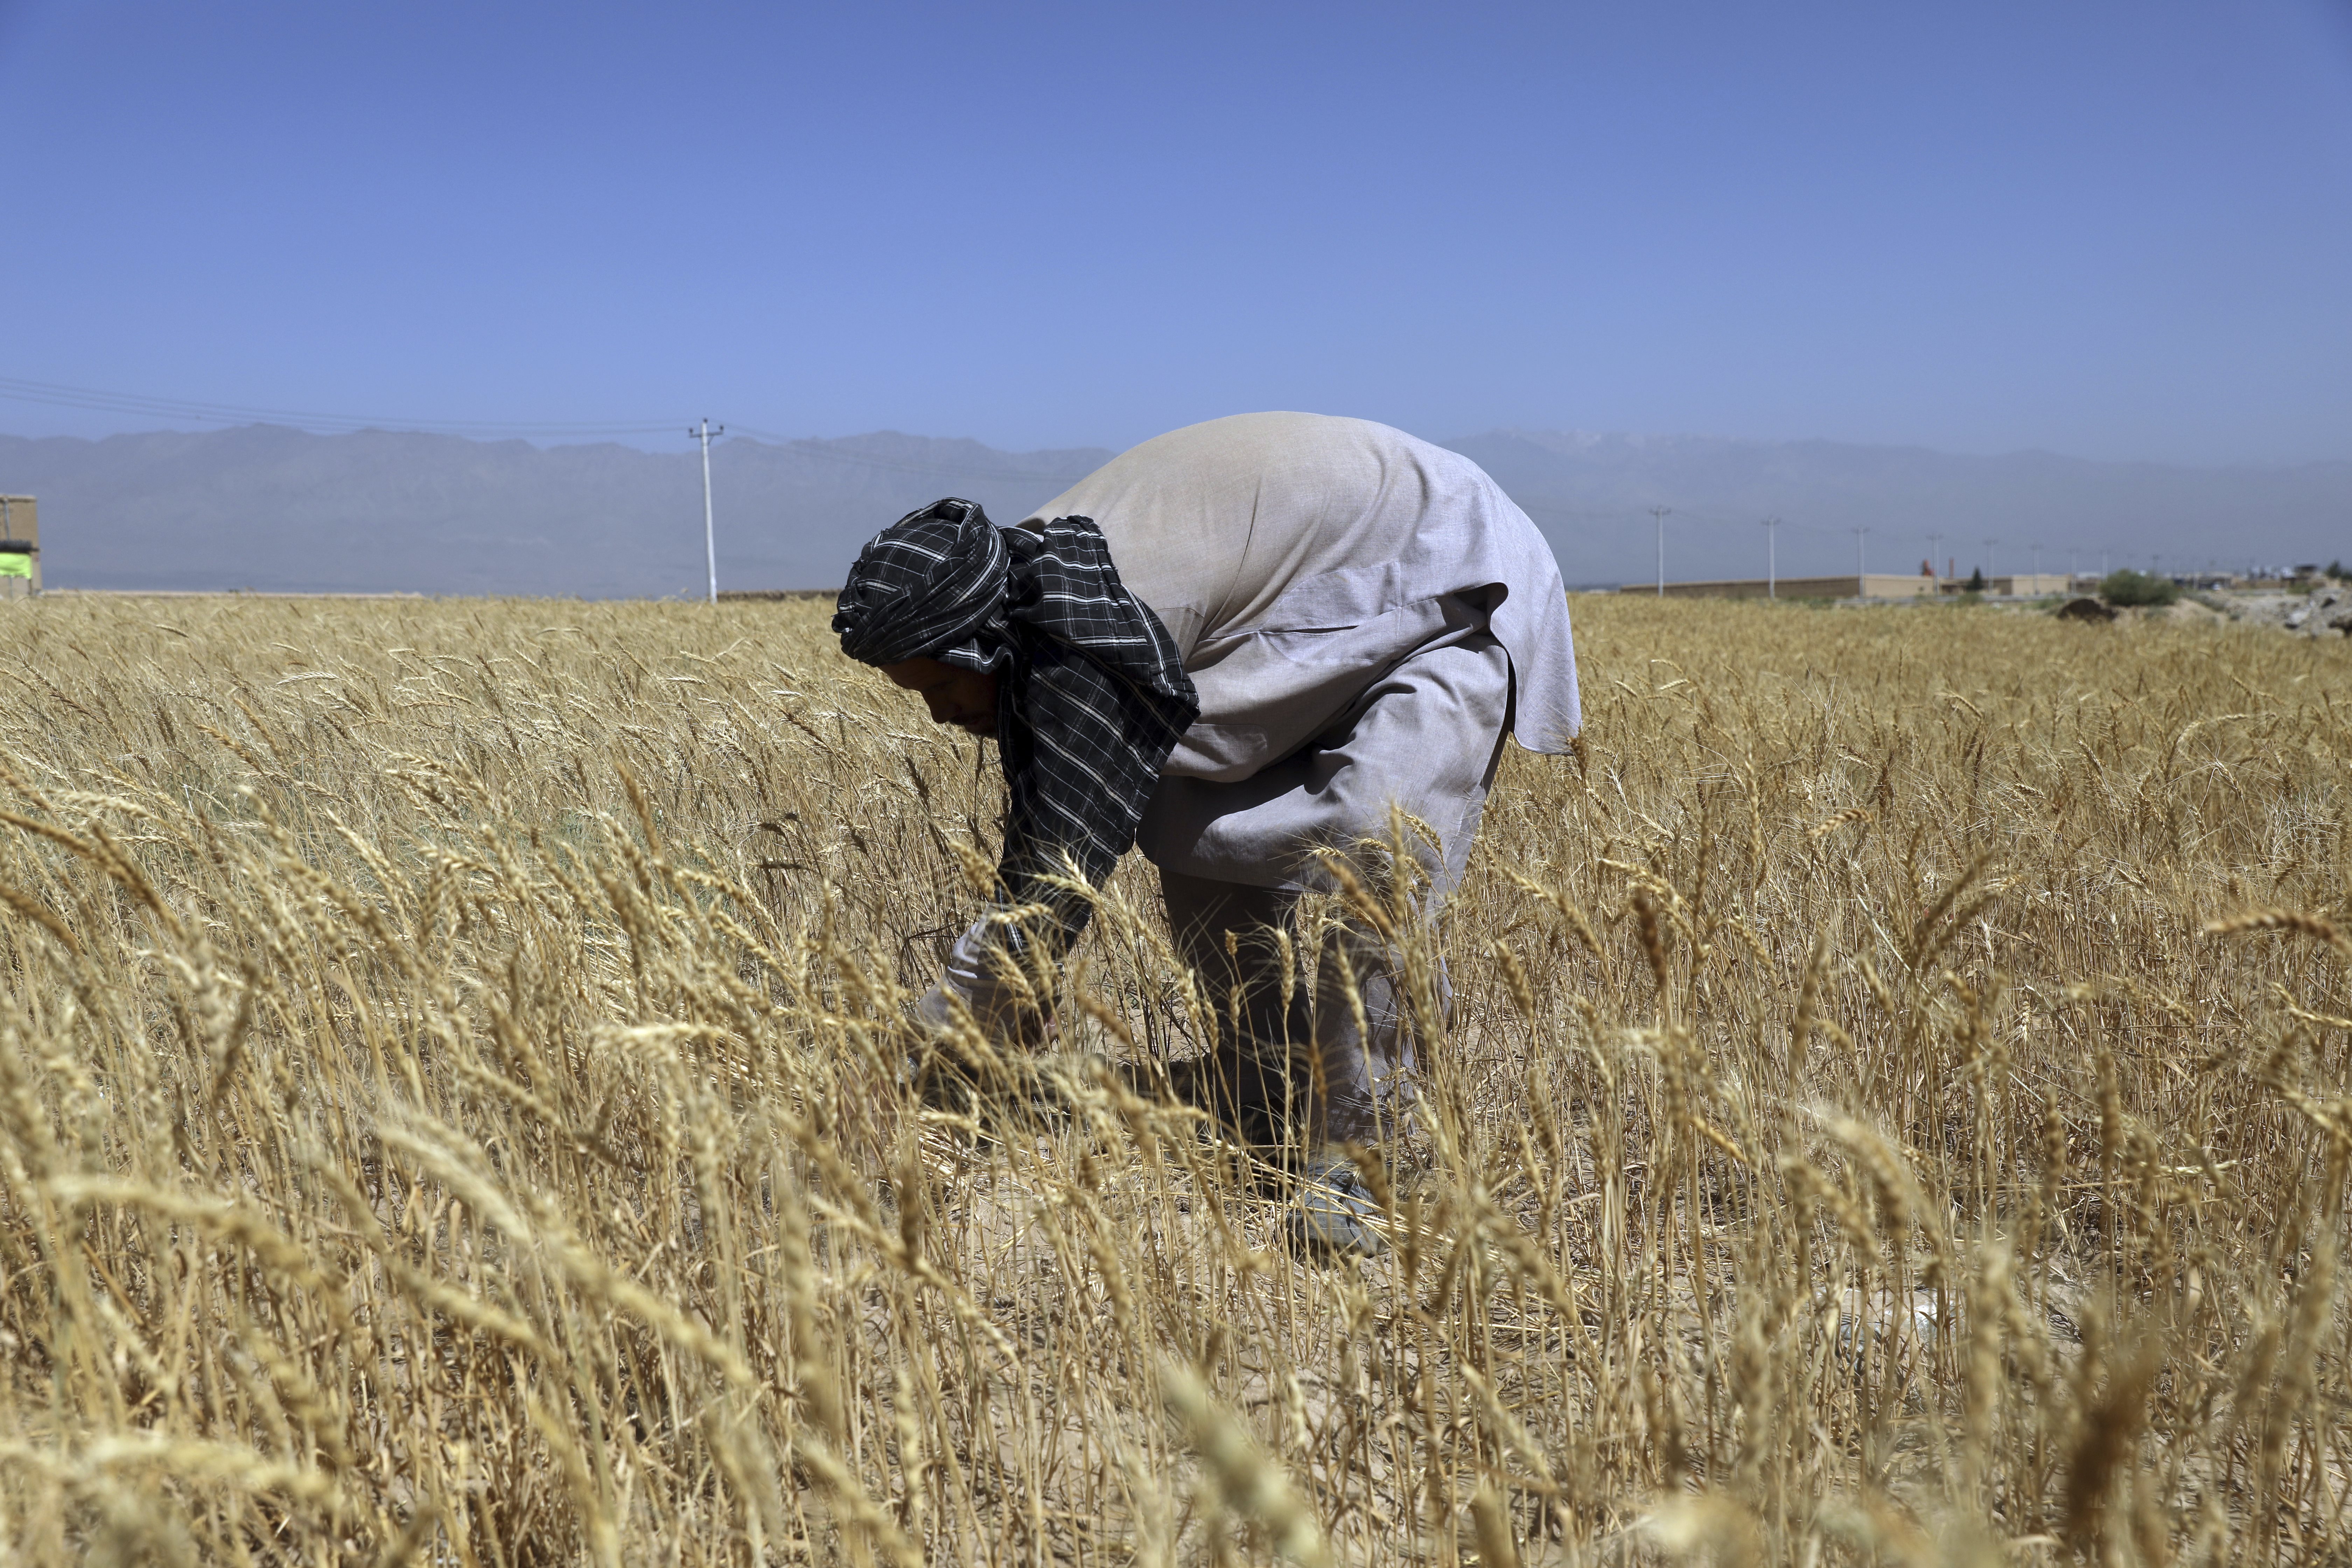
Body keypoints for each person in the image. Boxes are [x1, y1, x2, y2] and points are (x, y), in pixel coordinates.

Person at [831, 412, 1581, 1255]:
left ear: (983, 646)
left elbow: (1054, 873)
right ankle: (1265, 1083)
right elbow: (1056, 835)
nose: (941, 714)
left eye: (943, 688)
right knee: (1185, 817)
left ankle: (1358, 1152)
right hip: (1285, 617)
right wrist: (1014, 989)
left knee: (1380, 850)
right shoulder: (1019, 590)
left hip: (1439, 578)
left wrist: (943, 1033)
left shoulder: (1088, 619)